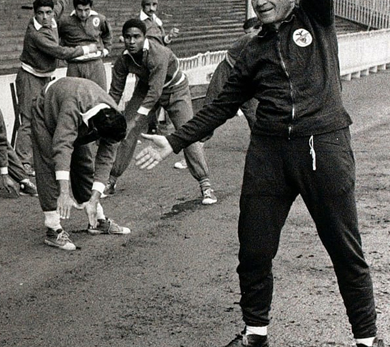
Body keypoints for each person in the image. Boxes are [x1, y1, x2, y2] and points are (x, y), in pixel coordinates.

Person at [135, 0, 390, 347]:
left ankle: (369, 343)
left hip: (324, 148)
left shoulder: (316, 19)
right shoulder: (251, 49)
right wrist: (173, 142)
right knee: (254, 249)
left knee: (344, 249)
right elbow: (219, 107)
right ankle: (255, 333)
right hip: (269, 154)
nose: (261, 0)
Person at [104, 19, 216, 205]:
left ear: (144, 37)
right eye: (128, 37)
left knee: (188, 132)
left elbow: (155, 92)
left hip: (175, 90)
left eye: (136, 37)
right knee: (126, 129)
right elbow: (115, 91)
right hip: (145, 89)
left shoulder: (158, 54)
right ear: (122, 39)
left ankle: (205, 184)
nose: (132, 41)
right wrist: (108, 114)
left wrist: (136, 118)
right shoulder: (123, 59)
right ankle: (111, 179)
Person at [14, 0, 104, 177]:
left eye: (48, 12)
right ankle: (22, 164)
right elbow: (60, 51)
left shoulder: (53, 16)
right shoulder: (36, 34)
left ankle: (41, 157)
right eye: (41, 14)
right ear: (34, 14)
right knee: (27, 120)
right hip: (30, 77)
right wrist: (86, 49)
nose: (46, 17)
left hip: (44, 77)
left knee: (44, 119)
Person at [31, 77, 130, 252]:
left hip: (79, 110)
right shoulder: (73, 106)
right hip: (46, 111)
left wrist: (94, 197)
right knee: (49, 164)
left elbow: (105, 160)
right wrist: (63, 192)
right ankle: (53, 229)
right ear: (95, 130)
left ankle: (97, 220)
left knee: (84, 164)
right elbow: (62, 146)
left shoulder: (113, 118)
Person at [202, 17, 261, 129]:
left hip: (245, 78)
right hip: (227, 71)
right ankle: (195, 142)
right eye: (246, 33)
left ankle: (262, 144)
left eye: (249, 32)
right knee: (210, 110)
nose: (247, 35)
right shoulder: (250, 38)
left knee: (255, 114)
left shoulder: (264, 38)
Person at [57, 0, 112, 91]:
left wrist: (107, 49)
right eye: (80, 10)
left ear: (90, 7)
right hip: (75, 64)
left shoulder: (100, 19)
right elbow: (56, 38)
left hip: (95, 63)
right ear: (75, 8)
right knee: (73, 97)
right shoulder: (65, 21)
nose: (83, 13)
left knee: (99, 95)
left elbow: (107, 34)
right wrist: (63, 54)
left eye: (86, 10)